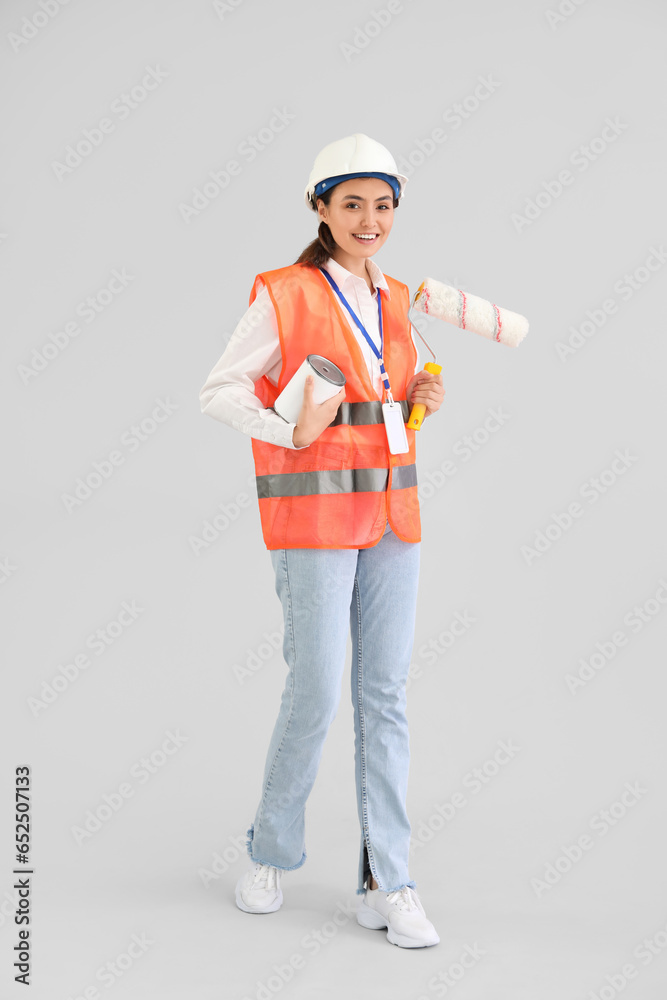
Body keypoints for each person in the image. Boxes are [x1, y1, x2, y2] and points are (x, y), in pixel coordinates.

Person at [199, 133, 445, 949]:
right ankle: (269, 853)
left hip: (390, 519)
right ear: (320, 209)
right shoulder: (286, 292)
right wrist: (282, 426)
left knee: (386, 697)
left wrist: (418, 397)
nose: (370, 219)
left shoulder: (397, 298)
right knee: (316, 689)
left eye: (382, 204)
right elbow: (220, 388)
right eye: (352, 204)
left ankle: (389, 880)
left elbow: (386, 399)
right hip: (313, 522)